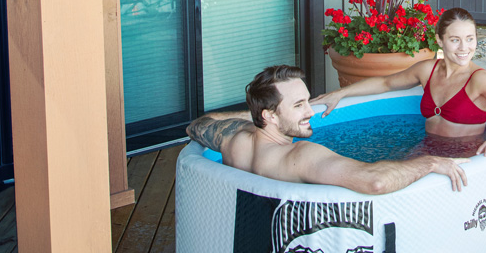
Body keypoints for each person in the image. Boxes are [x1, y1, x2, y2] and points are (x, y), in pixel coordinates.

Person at [185, 64, 467, 194]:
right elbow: (375, 182)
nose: (310, 112)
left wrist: (256, 118)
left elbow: (198, 125)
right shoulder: (300, 155)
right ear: (270, 116)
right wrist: (430, 162)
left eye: (308, 102)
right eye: (298, 106)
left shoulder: (234, 140)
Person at [312, 7, 486, 161]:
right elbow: (386, 83)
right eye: (455, 40)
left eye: (470, 38)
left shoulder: (480, 81)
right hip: (427, 148)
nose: (464, 48)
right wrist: (341, 93)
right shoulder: (428, 70)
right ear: (439, 40)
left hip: (464, 156)